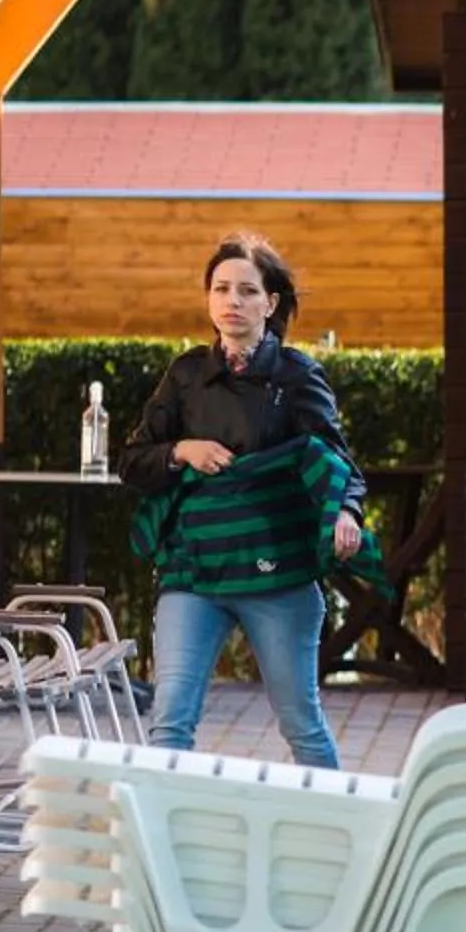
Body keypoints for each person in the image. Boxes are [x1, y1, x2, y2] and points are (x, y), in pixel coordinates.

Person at [119, 234, 370, 768]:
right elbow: (134, 461)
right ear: (209, 299)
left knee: (300, 724)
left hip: (276, 572)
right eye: (221, 289)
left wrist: (347, 511)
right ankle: (160, 844)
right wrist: (182, 449)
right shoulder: (185, 374)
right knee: (170, 721)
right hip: (194, 572)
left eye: (247, 291)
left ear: (270, 303)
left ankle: (338, 837)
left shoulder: (296, 375)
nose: (232, 301)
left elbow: (338, 461)